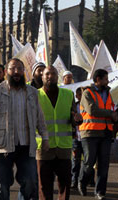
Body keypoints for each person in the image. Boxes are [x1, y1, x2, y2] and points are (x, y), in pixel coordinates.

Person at [0, 58, 50, 200]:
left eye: (19, 69)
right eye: (12, 68)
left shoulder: (32, 93)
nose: (16, 72)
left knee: (30, 183)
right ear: (6, 72)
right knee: (1, 187)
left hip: (26, 145)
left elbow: (39, 118)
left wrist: (45, 137)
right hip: (2, 146)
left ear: (24, 72)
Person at [36, 66, 82, 200]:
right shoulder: (35, 95)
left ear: (58, 77)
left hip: (64, 147)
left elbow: (73, 117)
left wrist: (77, 120)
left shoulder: (68, 94)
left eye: (53, 74)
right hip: (43, 147)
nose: (50, 76)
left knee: (65, 184)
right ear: (42, 77)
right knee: (44, 185)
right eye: (47, 74)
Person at [77, 69, 118, 200]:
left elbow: (111, 108)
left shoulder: (108, 93)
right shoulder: (87, 93)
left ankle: (100, 192)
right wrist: (110, 114)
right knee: (89, 161)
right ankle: (82, 181)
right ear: (98, 79)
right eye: (105, 79)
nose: (107, 81)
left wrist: (115, 116)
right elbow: (92, 110)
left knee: (104, 164)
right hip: (90, 132)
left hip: (106, 132)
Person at [71, 87, 84, 189]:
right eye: (80, 95)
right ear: (76, 96)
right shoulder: (74, 106)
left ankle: (87, 180)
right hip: (76, 137)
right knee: (76, 160)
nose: (82, 97)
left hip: (86, 137)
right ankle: (74, 180)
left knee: (88, 160)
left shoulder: (88, 106)